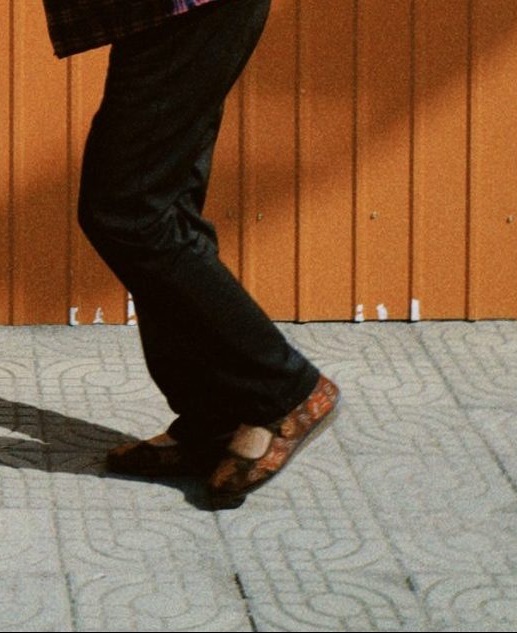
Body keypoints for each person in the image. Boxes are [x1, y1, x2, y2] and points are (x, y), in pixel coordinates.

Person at [43, 0, 341, 509]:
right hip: (173, 13)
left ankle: (285, 390)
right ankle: (212, 419)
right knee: (165, 207)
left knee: (128, 212)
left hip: (191, 9)